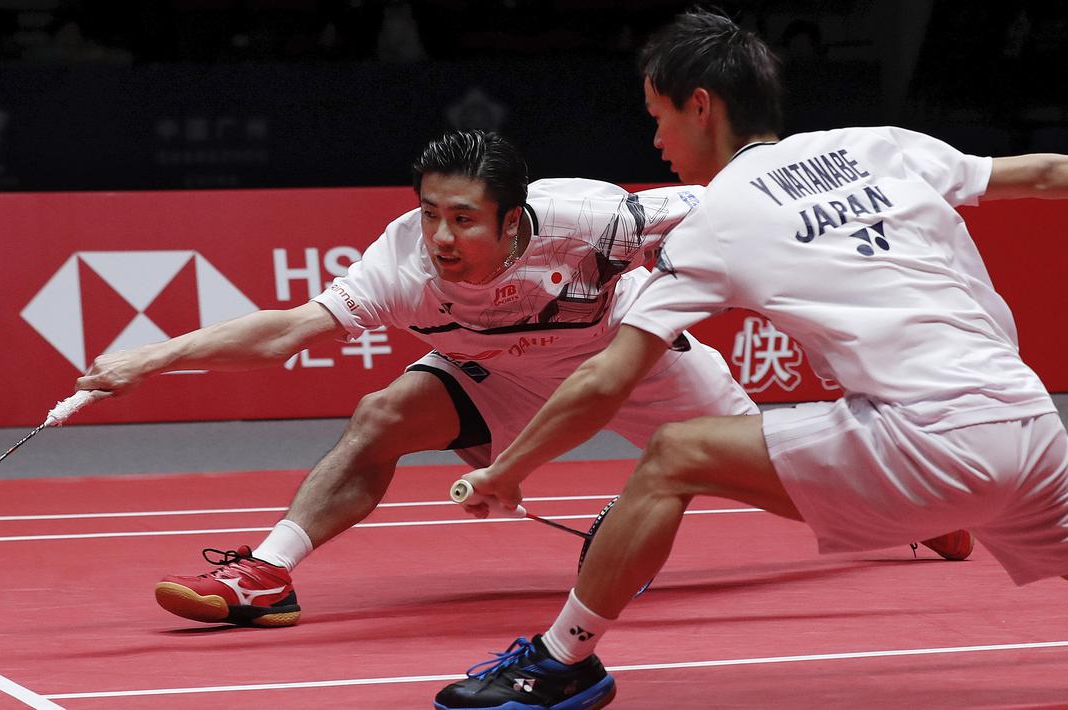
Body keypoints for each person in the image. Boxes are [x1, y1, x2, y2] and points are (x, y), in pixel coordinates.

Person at [435, 10, 1068, 710]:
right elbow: (1043, 173)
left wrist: (505, 471)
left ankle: (558, 664)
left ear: (700, 105)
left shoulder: (719, 216)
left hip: (927, 437)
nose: (656, 141)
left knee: (674, 453)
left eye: (659, 116)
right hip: (1032, 427)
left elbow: (604, 378)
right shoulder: (877, 146)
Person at [77, 130, 763, 627]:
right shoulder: (402, 263)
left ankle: (869, 502)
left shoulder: (594, 224)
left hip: (629, 360)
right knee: (381, 416)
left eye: (462, 220)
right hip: (494, 374)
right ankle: (266, 572)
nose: (440, 236)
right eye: (431, 212)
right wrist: (153, 357)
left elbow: (744, 206)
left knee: (780, 470)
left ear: (512, 220)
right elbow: (287, 331)